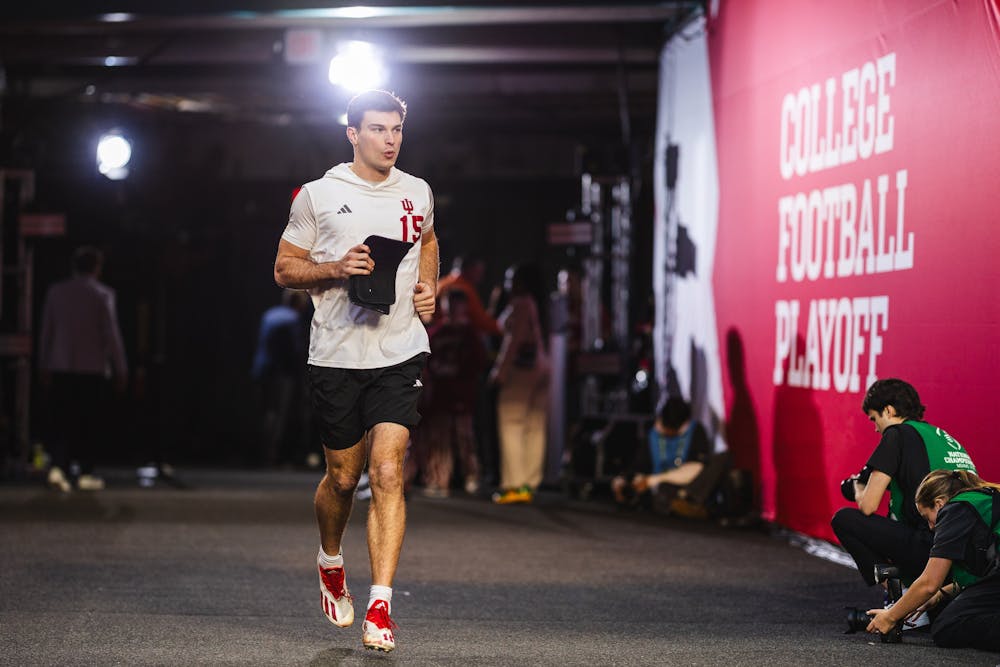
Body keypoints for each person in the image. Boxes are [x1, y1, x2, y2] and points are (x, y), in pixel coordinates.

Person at [272, 89, 438, 653]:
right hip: (338, 353)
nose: (389, 140)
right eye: (377, 130)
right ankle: (329, 558)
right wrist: (336, 268)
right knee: (344, 477)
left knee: (388, 471)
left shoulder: (417, 191)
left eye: (396, 130)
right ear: (352, 134)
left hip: (399, 350)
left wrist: (429, 285)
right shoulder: (319, 195)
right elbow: (283, 269)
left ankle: (381, 605)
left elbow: (429, 239)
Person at [831, 379, 978, 588]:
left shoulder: (897, 434)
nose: (875, 429)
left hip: (933, 547)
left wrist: (857, 486)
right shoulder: (940, 437)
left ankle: (898, 592)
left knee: (844, 519)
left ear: (889, 411)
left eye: (874, 419)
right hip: (969, 549)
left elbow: (868, 505)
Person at [866, 469, 1000, 651]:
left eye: (926, 518)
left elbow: (929, 583)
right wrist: (938, 596)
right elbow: (982, 575)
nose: (930, 527)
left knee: (948, 626)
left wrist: (890, 617)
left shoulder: (955, 508)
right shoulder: (982, 499)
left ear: (939, 504)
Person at [38, 245, 128, 492]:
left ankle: (60, 466)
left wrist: (43, 362)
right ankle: (86, 470)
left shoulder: (57, 292)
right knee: (88, 421)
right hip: (92, 367)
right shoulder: (103, 294)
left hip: (62, 364)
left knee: (62, 417)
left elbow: (47, 330)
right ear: (96, 268)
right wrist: (121, 368)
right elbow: (111, 335)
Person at [489, 263, 549, 504]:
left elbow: (512, 340)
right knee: (534, 426)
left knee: (511, 424)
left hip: (520, 371)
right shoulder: (537, 303)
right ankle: (529, 483)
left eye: (511, 278)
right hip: (542, 368)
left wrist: (499, 371)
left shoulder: (520, 304)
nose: (507, 283)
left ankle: (513, 484)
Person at [419, 289, 488, 497]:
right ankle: (439, 480)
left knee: (464, 437)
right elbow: (426, 361)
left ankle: (472, 476)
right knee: (439, 440)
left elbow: (479, 361)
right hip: (441, 393)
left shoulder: (470, 334)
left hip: (462, 393)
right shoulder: (437, 332)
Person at [610, 397, 718, 516]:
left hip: (686, 484)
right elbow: (639, 464)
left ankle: (689, 504)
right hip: (660, 487)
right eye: (668, 428)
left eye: (674, 429)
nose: (670, 433)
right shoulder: (652, 432)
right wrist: (623, 480)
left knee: (720, 460)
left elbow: (697, 468)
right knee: (657, 490)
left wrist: (652, 480)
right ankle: (676, 505)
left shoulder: (695, 431)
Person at [251, 289, 312, 466]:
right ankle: (272, 456)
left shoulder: (269, 314)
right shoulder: (292, 319)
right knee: (278, 415)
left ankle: (262, 453)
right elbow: (294, 349)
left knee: (266, 411)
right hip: (280, 373)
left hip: (261, 370)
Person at [435, 255, 500, 337]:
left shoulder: (441, 283)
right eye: (478, 272)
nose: (481, 277)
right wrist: (500, 328)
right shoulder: (464, 288)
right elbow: (480, 321)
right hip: (453, 334)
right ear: (469, 269)